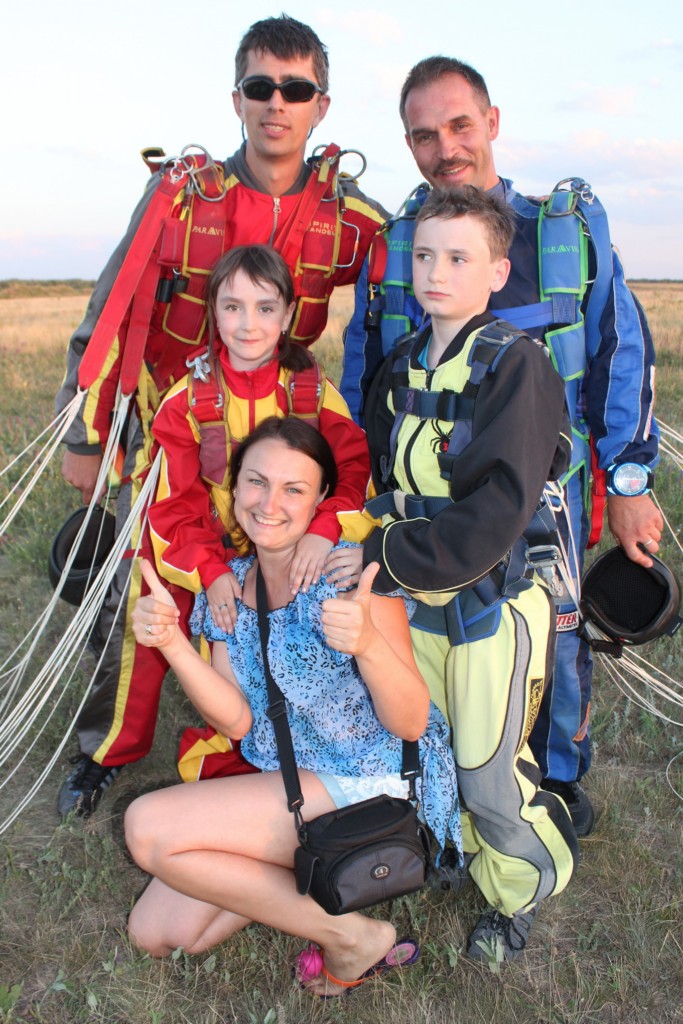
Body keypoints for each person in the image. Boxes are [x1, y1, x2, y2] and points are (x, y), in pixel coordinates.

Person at [54, 14, 386, 816]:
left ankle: (287, 745)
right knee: (139, 596)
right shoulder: (181, 195)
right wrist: (87, 429)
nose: (277, 103)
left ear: (320, 106)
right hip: (178, 433)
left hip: (284, 437)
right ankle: (108, 746)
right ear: (236, 98)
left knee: (295, 603)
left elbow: (428, 273)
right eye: (260, 86)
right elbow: (113, 304)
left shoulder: (352, 218)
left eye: (296, 89)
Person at [341, 55, 662, 837]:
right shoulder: (398, 250)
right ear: (407, 145)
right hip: (428, 497)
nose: (445, 147)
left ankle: (554, 776)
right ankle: (443, 776)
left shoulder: (561, 235)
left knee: (551, 631)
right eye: (423, 135)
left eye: (459, 125)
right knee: (436, 633)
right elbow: (364, 371)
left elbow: (618, 353)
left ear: (491, 122)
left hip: (545, 497)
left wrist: (627, 482)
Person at [125, 416, 461, 998]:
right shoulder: (230, 587)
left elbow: (410, 722)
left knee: (147, 827)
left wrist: (367, 645)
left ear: (320, 499)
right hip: (295, 782)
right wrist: (173, 643)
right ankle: (298, 878)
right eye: (256, 482)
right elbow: (236, 720)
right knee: (158, 933)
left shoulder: (353, 574)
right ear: (235, 488)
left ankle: (353, 938)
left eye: (294, 489)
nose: (270, 503)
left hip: (375, 779)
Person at [362, 185, 579, 963]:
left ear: (496, 272)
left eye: (458, 258)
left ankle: (521, 888)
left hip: (490, 606)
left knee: (488, 771)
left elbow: (495, 512)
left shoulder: (517, 366)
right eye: (424, 255)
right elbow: (381, 477)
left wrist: (380, 556)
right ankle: (455, 850)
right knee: (431, 748)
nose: (435, 272)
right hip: (411, 605)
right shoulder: (401, 363)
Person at [149, 244, 371, 639]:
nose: (248, 325)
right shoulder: (184, 404)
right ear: (214, 312)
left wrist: (325, 529)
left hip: (307, 560)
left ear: (287, 315)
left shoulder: (313, 393)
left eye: (265, 308)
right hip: (226, 575)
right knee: (230, 670)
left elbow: (355, 473)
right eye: (233, 307)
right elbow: (172, 509)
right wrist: (210, 571)